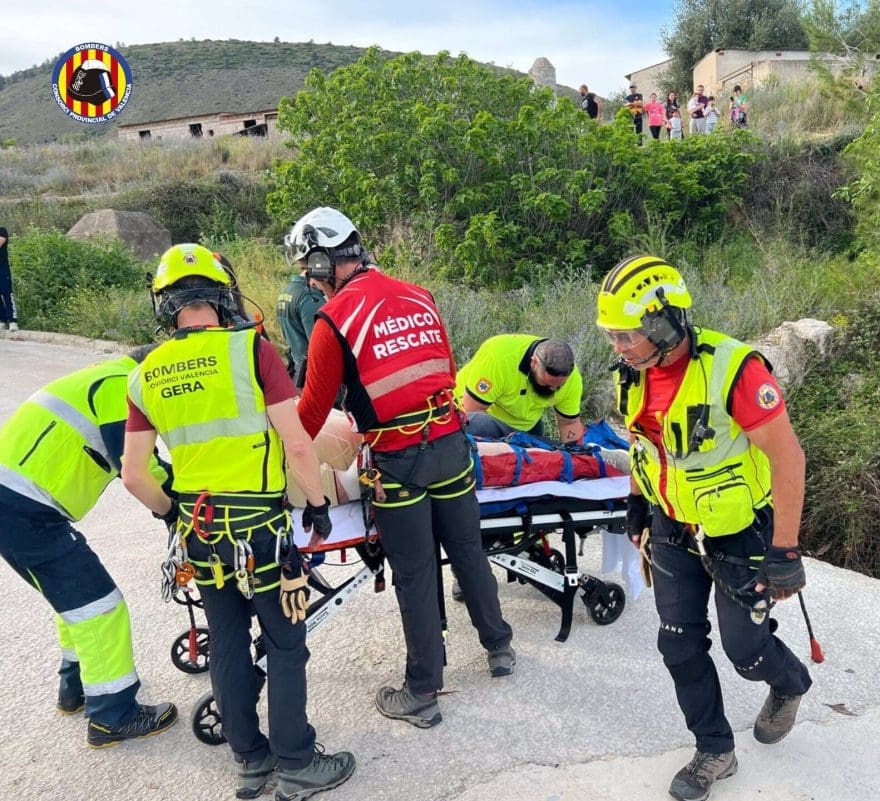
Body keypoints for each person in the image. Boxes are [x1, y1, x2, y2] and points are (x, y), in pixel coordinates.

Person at [122, 244, 354, 801]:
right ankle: (298, 763)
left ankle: (250, 759)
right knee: (284, 642)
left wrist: (173, 510)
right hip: (260, 534)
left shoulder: (146, 371)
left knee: (225, 639)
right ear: (223, 295)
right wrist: (319, 506)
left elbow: (135, 476)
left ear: (165, 305)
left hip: (199, 533)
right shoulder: (251, 348)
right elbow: (297, 442)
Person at [596, 255, 811, 801]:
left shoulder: (735, 370)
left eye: (627, 335)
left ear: (663, 324)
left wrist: (784, 549)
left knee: (746, 653)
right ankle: (714, 749)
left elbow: (789, 459)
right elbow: (647, 444)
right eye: (613, 336)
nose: (619, 347)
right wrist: (639, 503)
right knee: (678, 644)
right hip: (672, 525)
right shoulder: (634, 374)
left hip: (739, 530)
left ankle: (788, 681)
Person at [290, 207, 514, 730]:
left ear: (325, 260)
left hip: (399, 460)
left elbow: (312, 413)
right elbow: (445, 372)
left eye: (309, 269)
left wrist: (278, 434)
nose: (309, 280)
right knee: (467, 550)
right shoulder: (418, 293)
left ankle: (422, 691)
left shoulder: (333, 320)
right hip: (452, 444)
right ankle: (498, 646)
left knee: (413, 573)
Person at [0, 346, 176, 748]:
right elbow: (138, 465)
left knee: (75, 602)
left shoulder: (100, 377)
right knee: (102, 608)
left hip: (16, 504)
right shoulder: (120, 387)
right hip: (24, 509)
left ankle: (75, 687)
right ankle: (113, 715)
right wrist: (173, 506)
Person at [456, 334, 585, 444]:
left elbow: (569, 423)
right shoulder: (499, 360)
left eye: (559, 386)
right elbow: (470, 412)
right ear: (533, 363)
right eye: (546, 384)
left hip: (524, 422)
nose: (553, 389)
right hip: (476, 413)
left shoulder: (573, 380)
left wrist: (575, 455)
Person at [277, 261, 326, 389]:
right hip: (313, 374)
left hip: (297, 368)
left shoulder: (288, 291)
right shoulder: (310, 297)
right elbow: (322, 347)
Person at [0, 225, 17, 331]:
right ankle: (2, 320)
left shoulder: (2, 231)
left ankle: (13, 321)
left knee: (7, 294)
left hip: (2, 270)